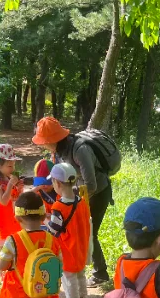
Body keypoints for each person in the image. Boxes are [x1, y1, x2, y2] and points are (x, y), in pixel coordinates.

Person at [31, 116, 113, 287]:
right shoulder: (58, 152)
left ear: (52, 140)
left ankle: (99, 273)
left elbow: (91, 184)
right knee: (75, 232)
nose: (42, 145)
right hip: (77, 195)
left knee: (89, 231)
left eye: (43, 141)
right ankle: (78, 268)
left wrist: (71, 198)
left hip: (97, 193)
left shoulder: (80, 150)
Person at [46, 162, 92, 298]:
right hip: (81, 245)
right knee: (80, 274)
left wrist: (46, 223)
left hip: (67, 248)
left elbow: (54, 229)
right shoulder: (81, 201)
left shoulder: (59, 207)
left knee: (68, 277)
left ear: (57, 183)